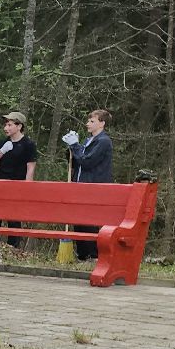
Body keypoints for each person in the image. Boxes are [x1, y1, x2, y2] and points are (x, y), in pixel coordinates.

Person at [0, 110, 38, 246]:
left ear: (19, 126)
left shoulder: (28, 145)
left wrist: (27, 188)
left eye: (10, 125)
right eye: (6, 125)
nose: (6, 128)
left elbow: (30, 168)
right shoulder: (2, 143)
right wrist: (1, 152)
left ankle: (13, 248)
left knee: (14, 219)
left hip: (17, 186)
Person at [63, 109, 113, 260]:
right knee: (78, 220)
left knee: (89, 220)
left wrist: (75, 145)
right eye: (88, 121)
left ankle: (93, 254)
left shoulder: (103, 141)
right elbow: (76, 162)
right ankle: (82, 254)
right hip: (80, 185)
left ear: (102, 123)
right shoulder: (88, 141)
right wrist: (71, 148)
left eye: (92, 121)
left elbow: (88, 162)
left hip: (94, 186)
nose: (88, 124)